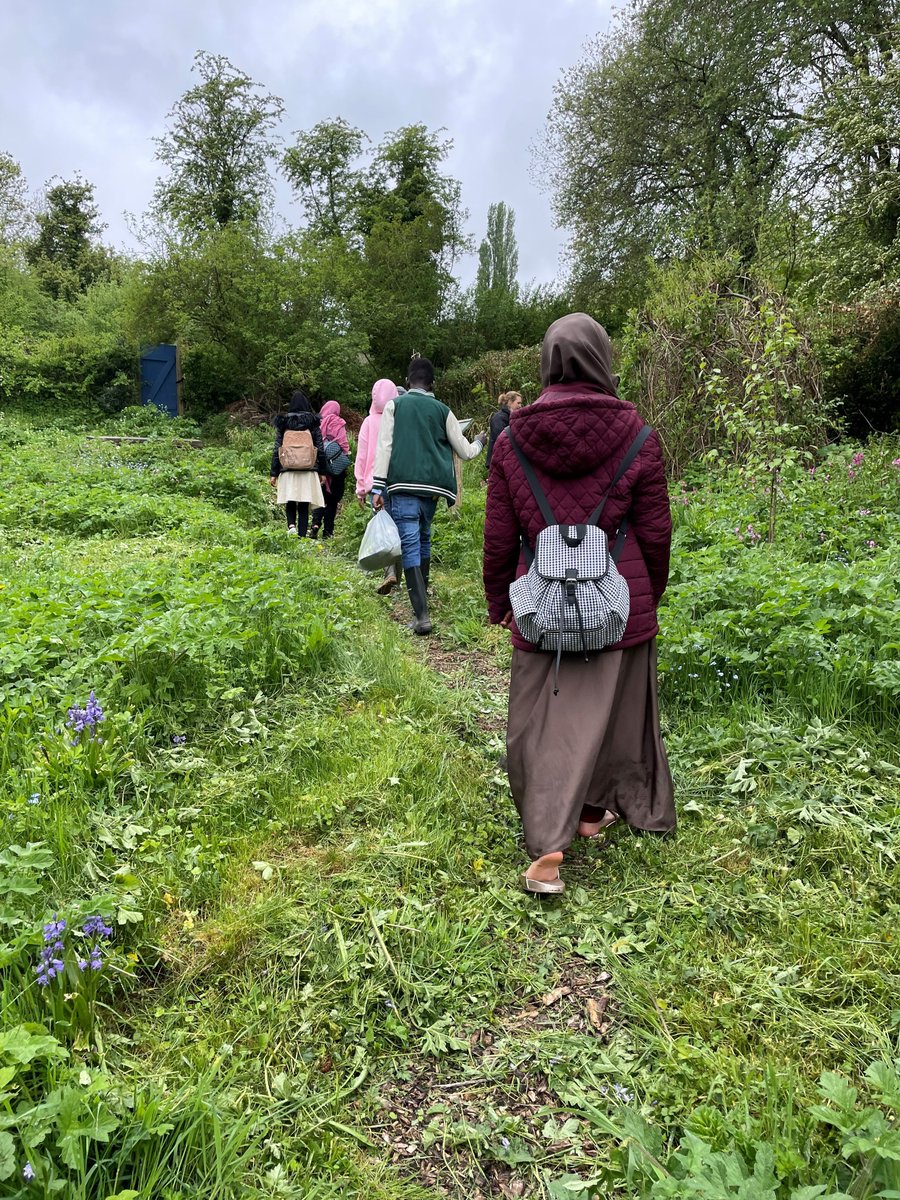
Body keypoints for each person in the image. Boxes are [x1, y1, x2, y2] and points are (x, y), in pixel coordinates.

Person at [483, 313, 675, 895]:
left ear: (548, 363)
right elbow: (656, 532)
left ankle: (549, 841)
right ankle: (594, 813)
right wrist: (648, 596)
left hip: (543, 606)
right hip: (617, 601)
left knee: (545, 723)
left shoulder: (512, 439)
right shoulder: (639, 435)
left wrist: (500, 602)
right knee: (614, 717)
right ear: (601, 360)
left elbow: (498, 534)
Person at [372, 357, 486, 634]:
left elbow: (384, 447)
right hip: (432, 491)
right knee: (423, 539)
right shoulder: (443, 410)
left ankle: (421, 616)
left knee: (410, 543)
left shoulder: (394, 406)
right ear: (432, 383)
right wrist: (480, 441)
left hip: (402, 487)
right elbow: (465, 452)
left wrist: (378, 486)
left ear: (408, 381)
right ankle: (422, 608)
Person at [355, 379, 402, 593]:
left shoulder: (368, 422)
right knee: (402, 527)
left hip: (376, 484)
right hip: (399, 480)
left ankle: (390, 572)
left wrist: (361, 487)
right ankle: (403, 575)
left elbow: (362, 456)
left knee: (385, 528)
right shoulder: (401, 418)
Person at [269, 391, 327, 537]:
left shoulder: (284, 423)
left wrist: (274, 473)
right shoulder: (312, 422)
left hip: (288, 467)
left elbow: (277, 448)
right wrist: (322, 471)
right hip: (308, 468)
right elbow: (319, 447)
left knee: (290, 498)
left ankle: (291, 526)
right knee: (304, 501)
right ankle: (301, 535)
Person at [311, 400, 350, 539]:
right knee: (332, 501)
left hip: (320, 467)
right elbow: (344, 446)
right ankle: (328, 532)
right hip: (335, 468)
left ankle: (315, 525)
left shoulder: (317, 423)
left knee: (320, 497)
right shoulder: (338, 422)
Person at [486, 390, 523, 469]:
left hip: (506, 459)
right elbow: (500, 439)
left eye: (521, 403)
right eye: (518, 403)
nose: (520, 406)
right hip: (498, 460)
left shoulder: (512, 417)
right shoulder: (499, 418)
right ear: (510, 402)